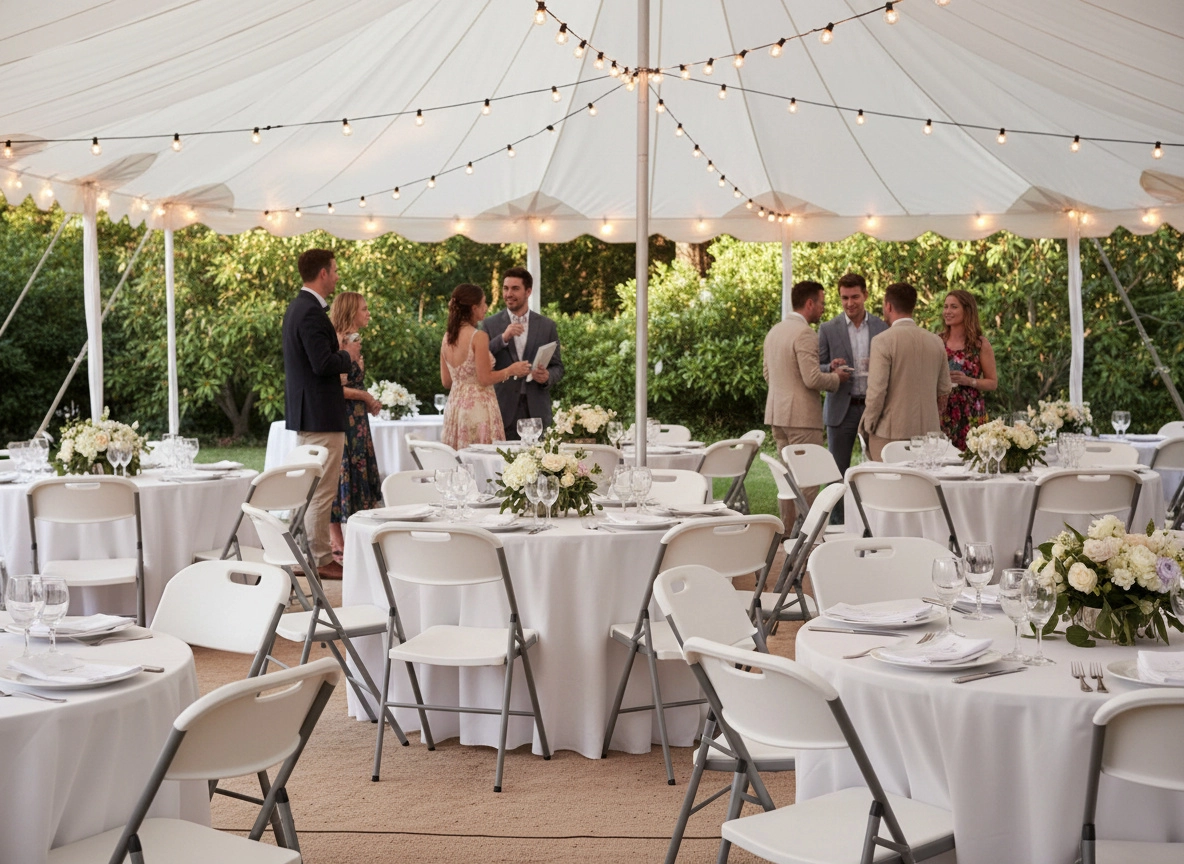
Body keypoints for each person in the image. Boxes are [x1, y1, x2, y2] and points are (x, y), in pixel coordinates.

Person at [282, 248, 361, 580]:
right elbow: (322, 363)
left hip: (309, 412)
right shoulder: (311, 313)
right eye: (335, 270)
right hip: (321, 414)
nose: (338, 276)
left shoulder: (297, 308)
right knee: (321, 488)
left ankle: (298, 553)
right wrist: (348, 355)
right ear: (323, 273)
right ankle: (320, 557)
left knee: (308, 487)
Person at [763, 280, 848, 530]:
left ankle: (786, 531)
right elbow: (811, 379)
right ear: (809, 303)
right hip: (801, 417)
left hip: (777, 414)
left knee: (787, 479)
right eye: (822, 303)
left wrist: (827, 367)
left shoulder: (775, 331)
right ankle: (807, 533)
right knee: (808, 480)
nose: (823, 308)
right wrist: (837, 378)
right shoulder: (805, 334)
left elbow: (769, 374)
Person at [859, 282, 952, 462]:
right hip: (928, 437)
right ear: (913, 306)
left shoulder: (882, 341)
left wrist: (867, 426)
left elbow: (877, 392)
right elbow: (944, 391)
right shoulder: (935, 341)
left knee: (887, 480)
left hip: (890, 435)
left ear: (888, 306)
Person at [441, 283, 531, 449]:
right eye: (483, 303)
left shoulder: (447, 337)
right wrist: (511, 370)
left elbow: (446, 382)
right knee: (481, 459)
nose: (486, 307)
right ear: (474, 308)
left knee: (458, 459)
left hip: (455, 409)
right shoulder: (478, 336)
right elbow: (484, 379)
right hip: (478, 410)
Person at [328, 291, 383, 561]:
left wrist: (367, 402)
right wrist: (365, 397)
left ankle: (356, 537)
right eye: (364, 308)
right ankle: (336, 540)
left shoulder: (355, 339)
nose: (368, 313)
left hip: (358, 418)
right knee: (343, 472)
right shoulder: (339, 341)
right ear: (351, 311)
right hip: (344, 418)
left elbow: (354, 383)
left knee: (358, 471)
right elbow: (336, 388)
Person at [817, 273, 889, 476]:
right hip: (841, 410)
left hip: (874, 407)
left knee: (879, 470)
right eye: (845, 298)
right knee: (836, 473)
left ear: (865, 295)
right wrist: (831, 368)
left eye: (855, 297)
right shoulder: (828, 329)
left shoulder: (882, 327)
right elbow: (817, 366)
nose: (850, 303)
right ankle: (838, 500)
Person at [484, 267, 564, 438]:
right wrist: (503, 338)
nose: (508, 294)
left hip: (537, 411)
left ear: (528, 291)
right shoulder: (490, 324)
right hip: (502, 411)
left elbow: (558, 367)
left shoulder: (547, 326)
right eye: (505, 288)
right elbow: (480, 359)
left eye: (515, 288)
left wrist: (547, 376)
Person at [940, 289, 997, 450]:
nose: (947, 311)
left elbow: (992, 383)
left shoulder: (980, 344)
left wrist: (969, 381)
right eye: (945, 307)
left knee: (972, 458)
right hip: (942, 411)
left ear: (967, 310)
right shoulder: (937, 341)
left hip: (971, 412)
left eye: (953, 307)